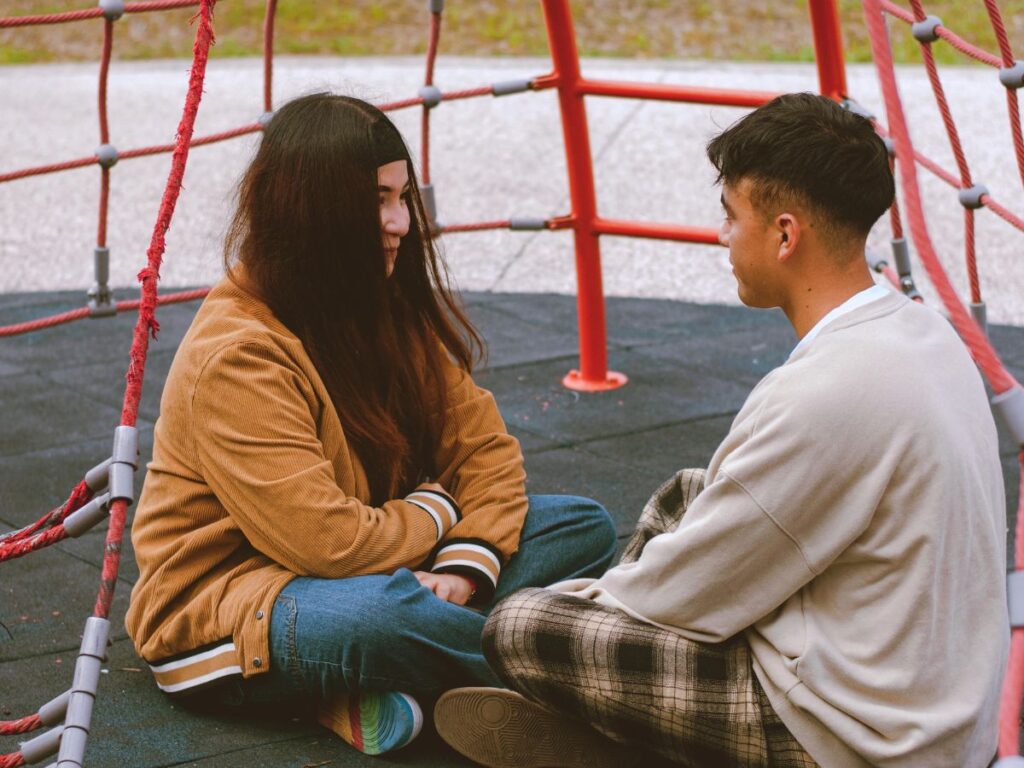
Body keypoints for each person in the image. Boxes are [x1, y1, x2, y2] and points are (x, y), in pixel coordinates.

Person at [434, 93, 1009, 768]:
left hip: (857, 739)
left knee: (522, 627)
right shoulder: (920, 330)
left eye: (731, 217)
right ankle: (616, 718)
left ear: (785, 235)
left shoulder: (824, 393)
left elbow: (674, 599)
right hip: (928, 701)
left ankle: (620, 737)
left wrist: (577, 606)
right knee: (689, 494)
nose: (722, 237)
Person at [124, 93, 616, 757]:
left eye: (403, 197)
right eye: (378, 200)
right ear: (313, 211)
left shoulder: (374, 303)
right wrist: (442, 514)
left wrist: (465, 570)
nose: (400, 222)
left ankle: (386, 690)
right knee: (382, 620)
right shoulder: (236, 353)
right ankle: (586, 689)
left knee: (580, 525)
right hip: (240, 607)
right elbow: (326, 543)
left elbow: (486, 451)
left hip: (380, 562)